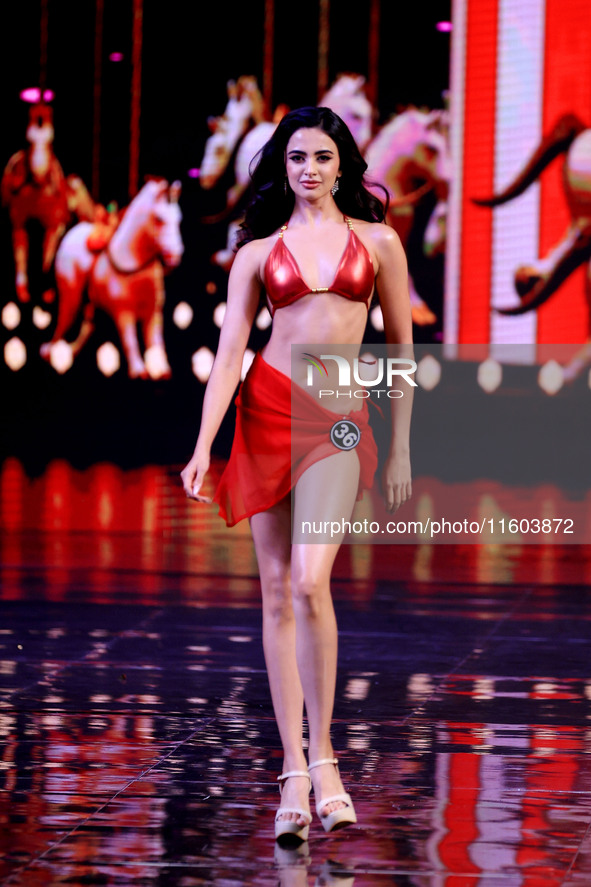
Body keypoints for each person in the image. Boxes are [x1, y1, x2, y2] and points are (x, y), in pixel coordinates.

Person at [181, 107, 413, 842]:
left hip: (339, 418)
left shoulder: (378, 243)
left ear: (342, 162)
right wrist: (202, 445)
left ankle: (327, 762)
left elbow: (401, 352)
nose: (307, 168)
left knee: (311, 581)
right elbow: (227, 359)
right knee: (277, 592)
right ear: (282, 166)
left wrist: (402, 444)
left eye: (319, 155)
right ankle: (290, 767)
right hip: (265, 411)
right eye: (294, 158)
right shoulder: (257, 251)